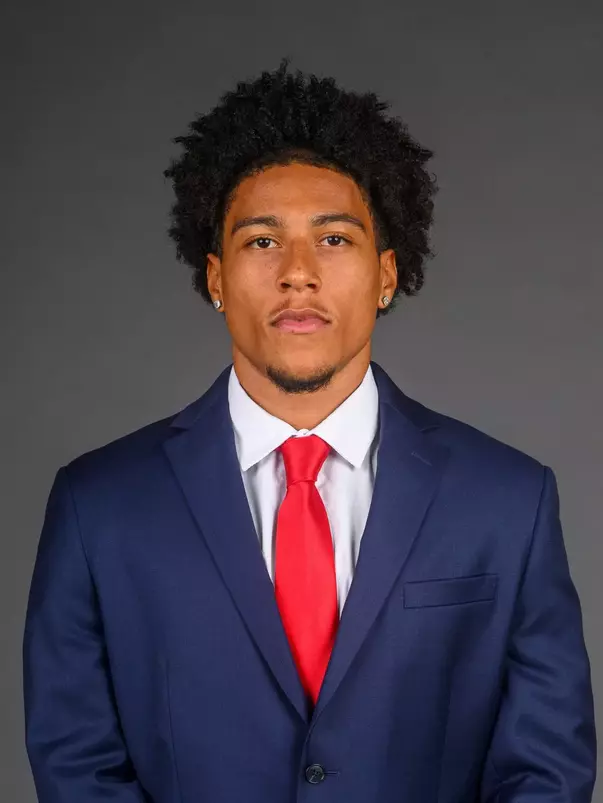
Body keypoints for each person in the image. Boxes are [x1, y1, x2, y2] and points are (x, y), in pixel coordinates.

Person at [23, 59, 596, 803]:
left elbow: (545, 771)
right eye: (262, 241)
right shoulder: (97, 506)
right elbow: (79, 767)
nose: (298, 272)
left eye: (334, 239)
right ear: (216, 277)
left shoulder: (508, 501)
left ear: (386, 275)